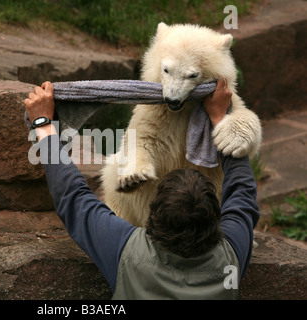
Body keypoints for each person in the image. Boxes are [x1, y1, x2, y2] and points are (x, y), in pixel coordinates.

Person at [23, 79, 260, 299]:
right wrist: (220, 118)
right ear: (215, 219)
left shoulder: (126, 251)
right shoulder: (231, 255)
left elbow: (71, 195)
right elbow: (242, 190)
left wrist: (43, 124)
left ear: (153, 216)